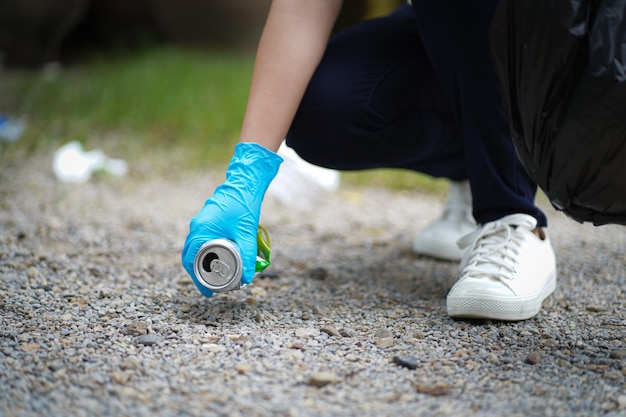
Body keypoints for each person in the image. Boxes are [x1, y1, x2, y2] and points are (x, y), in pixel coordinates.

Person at [182, 0, 557, 321]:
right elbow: (302, 9)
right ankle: (478, 173)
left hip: (566, 40)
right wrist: (246, 177)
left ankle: (513, 215)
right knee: (323, 108)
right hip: (453, 28)